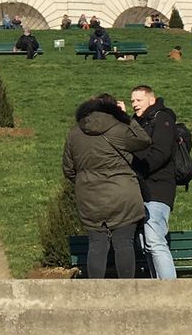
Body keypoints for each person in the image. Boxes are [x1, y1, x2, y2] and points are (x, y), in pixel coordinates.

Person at [63, 93, 150, 279]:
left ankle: (96, 293)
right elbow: (144, 141)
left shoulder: (74, 133)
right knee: (124, 242)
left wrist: (86, 184)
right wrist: (126, 118)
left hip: (89, 197)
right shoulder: (119, 128)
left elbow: (68, 170)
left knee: (96, 243)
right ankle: (126, 291)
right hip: (123, 194)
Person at [131, 85, 178, 280]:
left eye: (138, 100)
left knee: (154, 240)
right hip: (141, 190)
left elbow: (161, 153)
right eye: (132, 101)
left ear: (151, 100)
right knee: (146, 243)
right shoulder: (138, 121)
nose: (134, 104)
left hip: (158, 189)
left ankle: (170, 290)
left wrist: (138, 170)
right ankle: (158, 288)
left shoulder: (162, 118)